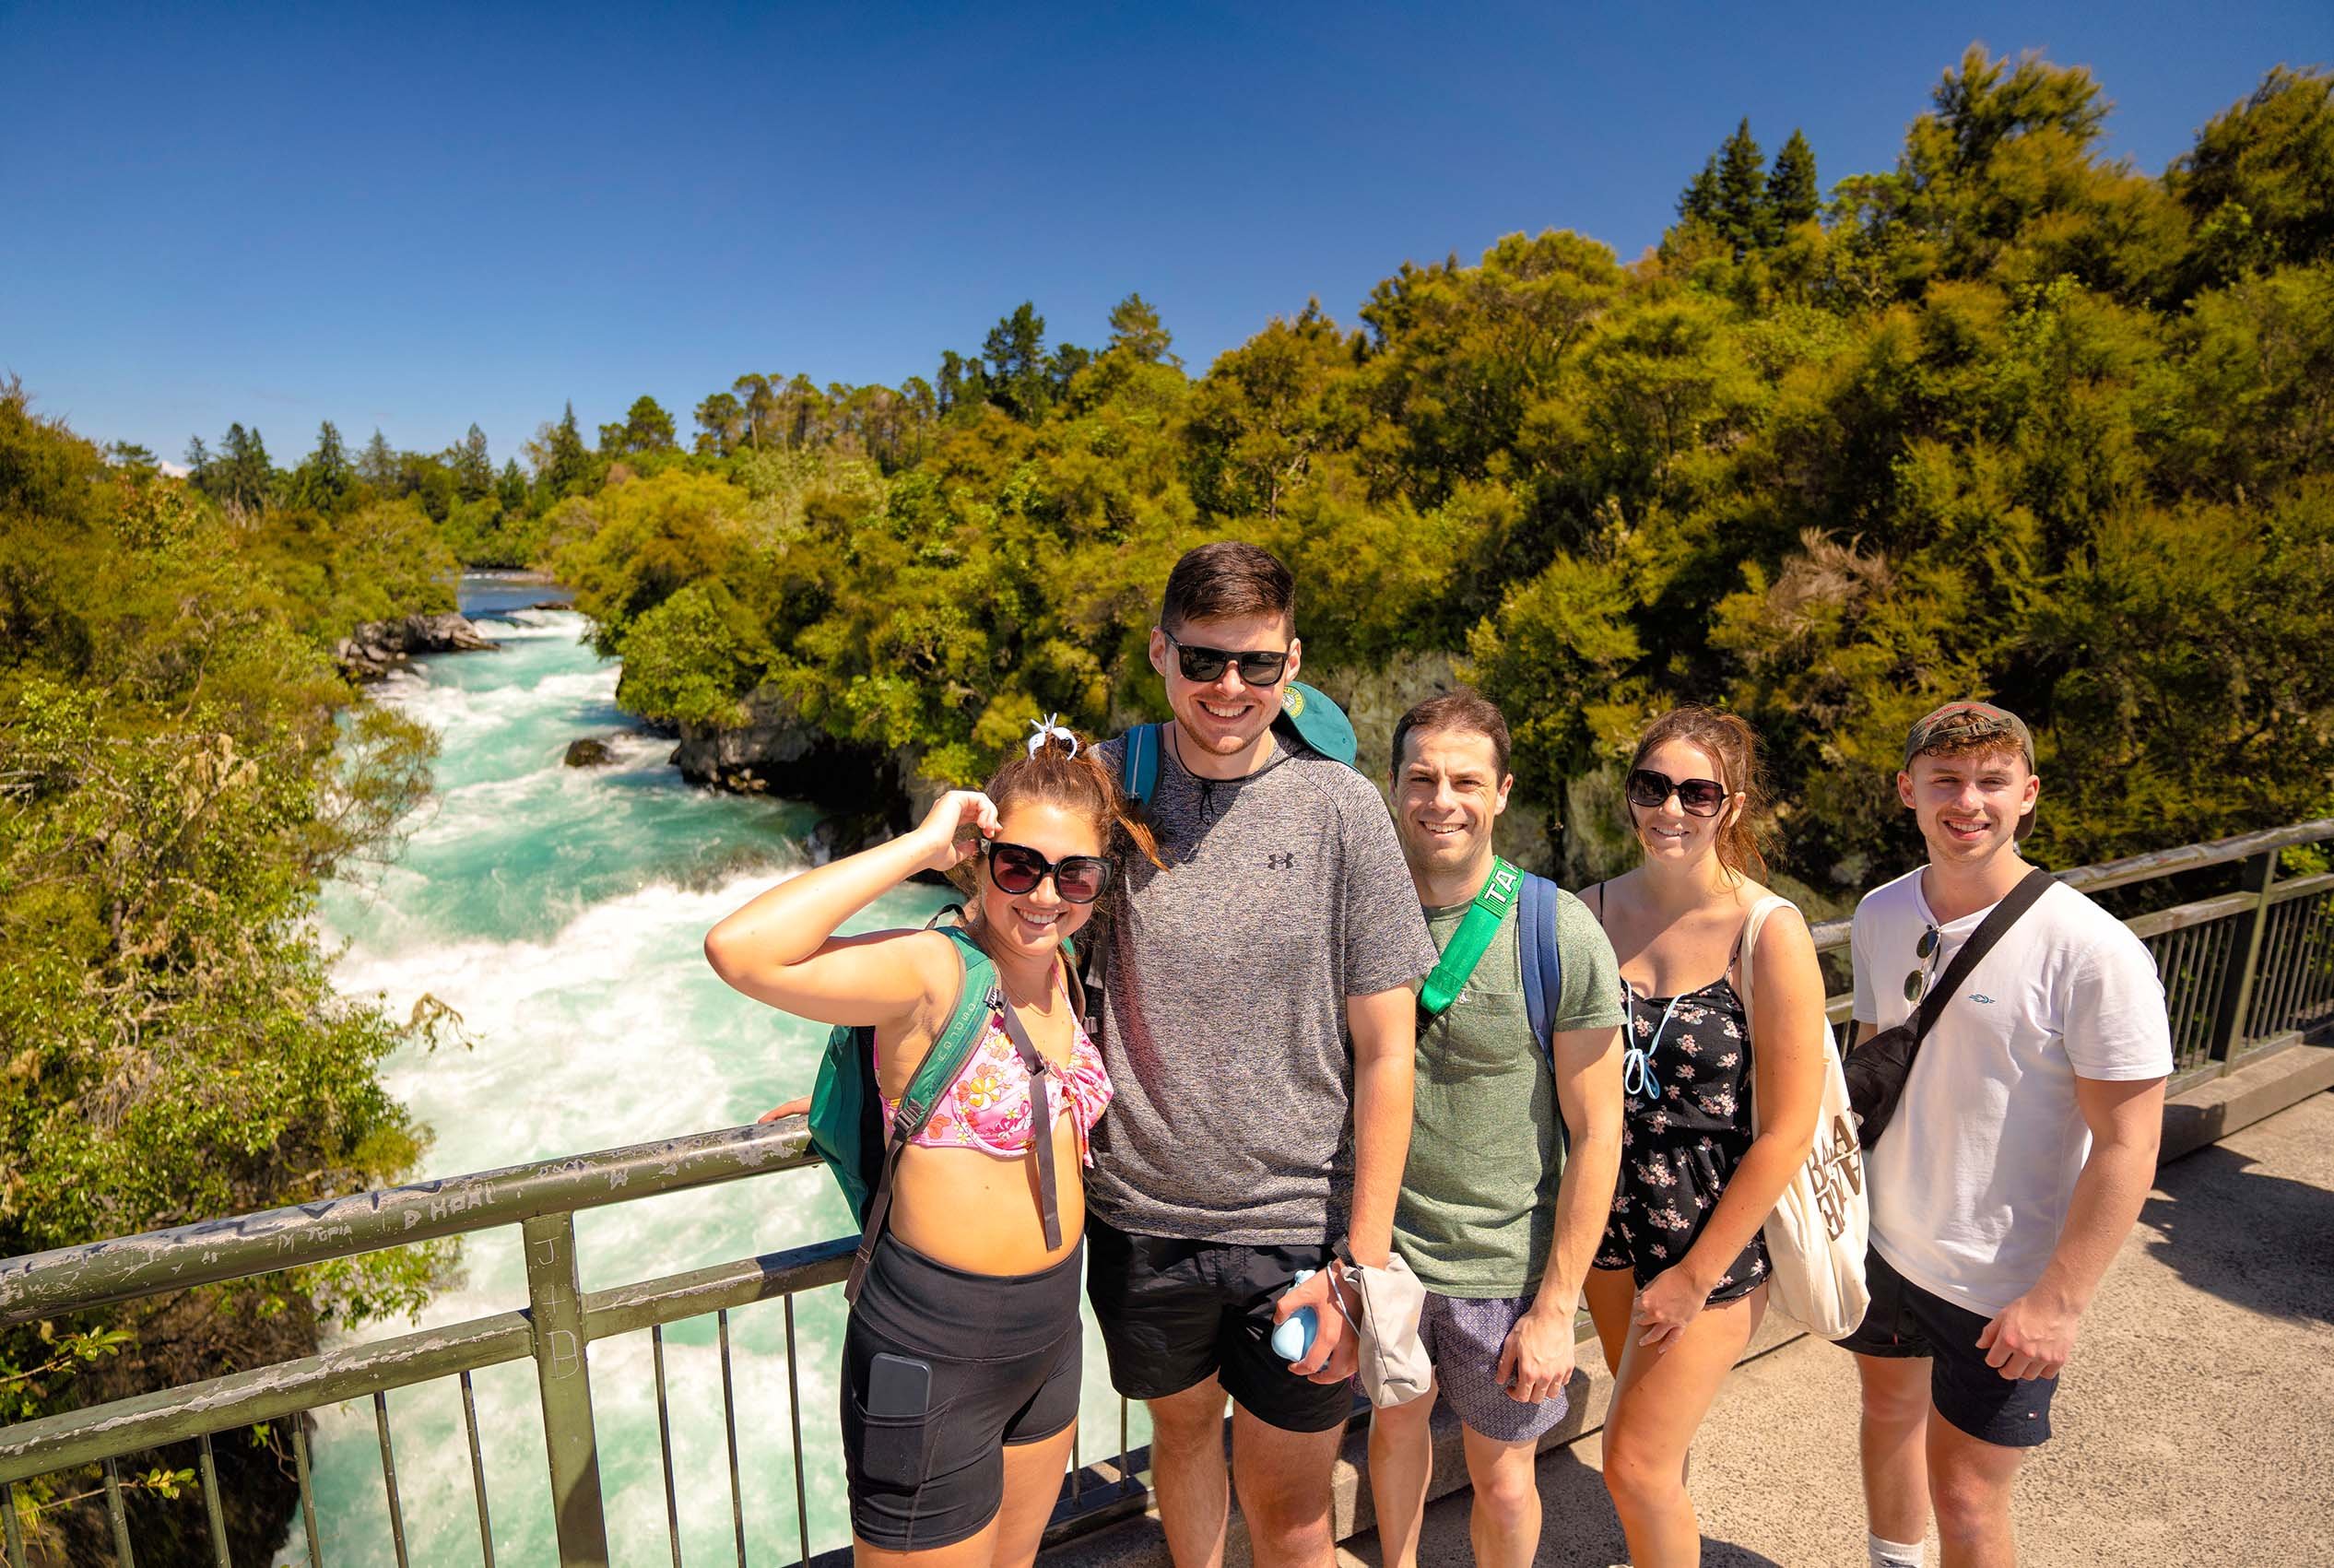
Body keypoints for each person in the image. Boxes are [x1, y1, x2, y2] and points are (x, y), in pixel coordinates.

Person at [703, 722, 1161, 1567]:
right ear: (980, 860)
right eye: (1019, 865)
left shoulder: (1063, 969)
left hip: (1050, 1333)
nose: (1045, 895)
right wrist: (916, 844)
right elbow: (739, 951)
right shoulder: (932, 969)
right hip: (933, 1346)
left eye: (1075, 873)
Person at [1083, 541, 1438, 1568]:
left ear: (1293, 663)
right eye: (1202, 661)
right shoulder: (1110, 789)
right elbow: (1011, 944)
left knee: (1291, 1514)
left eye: (1256, 664)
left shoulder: (1342, 811)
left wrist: (1359, 1266)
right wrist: (883, 1069)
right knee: (1182, 1444)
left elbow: (1387, 1052)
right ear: (1161, 652)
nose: (1228, 689)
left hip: (1297, 1236)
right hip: (1140, 1221)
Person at [1840, 702, 2170, 1568]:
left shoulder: (2093, 951)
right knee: (1886, 1415)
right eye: (1946, 779)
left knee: (1968, 1494)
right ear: (1907, 789)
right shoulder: (1879, 913)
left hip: (2002, 1283)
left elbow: (2132, 1142)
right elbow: (1875, 1059)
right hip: (1886, 1241)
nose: (1968, 801)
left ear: (2028, 796)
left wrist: (2059, 1302)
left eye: (1991, 782)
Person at [1366, 691, 1627, 1568]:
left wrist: (1557, 1307)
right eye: (1422, 777)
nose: (1442, 798)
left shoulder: (1557, 931)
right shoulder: (1361, 914)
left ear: (1503, 791)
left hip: (1504, 1267)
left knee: (1507, 1479)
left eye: (1465, 780)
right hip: (1386, 1251)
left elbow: (1598, 1134)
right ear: (1393, 785)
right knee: (1394, 1441)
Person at [1581, 706, 1828, 1568]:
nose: (1670, 808)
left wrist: (1695, 1273)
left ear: (1732, 805)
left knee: (1634, 1465)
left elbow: (1790, 1125)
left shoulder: (1769, 931)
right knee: (1646, 1439)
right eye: (1653, 787)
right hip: (1605, 1224)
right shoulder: (1589, 912)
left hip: (1706, 1230)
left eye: (1696, 791)